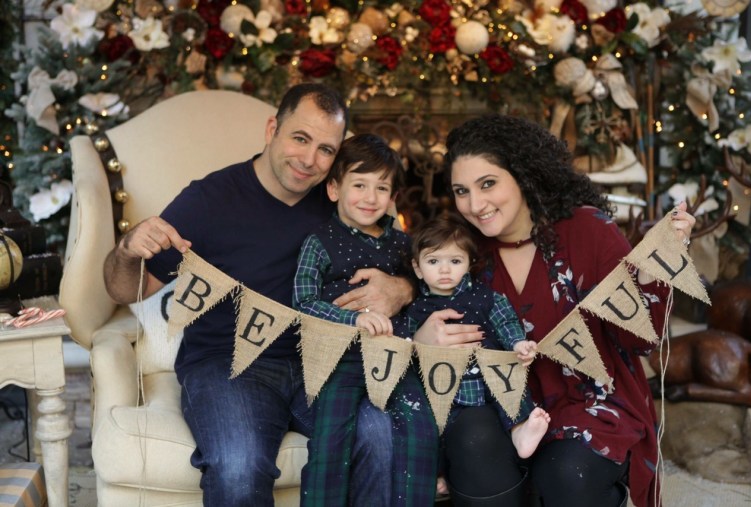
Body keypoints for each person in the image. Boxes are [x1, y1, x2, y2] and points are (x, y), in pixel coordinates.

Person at [103, 83, 415, 507]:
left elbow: (416, 260)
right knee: (238, 463)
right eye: (300, 138)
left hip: (327, 362)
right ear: (272, 129)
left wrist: (401, 287)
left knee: (380, 430)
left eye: (326, 149)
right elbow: (126, 289)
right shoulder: (209, 200)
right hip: (228, 366)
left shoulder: (346, 197)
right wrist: (126, 249)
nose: (309, 160)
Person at [413, 114, 696, 507]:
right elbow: (413, 293)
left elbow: (639, 337)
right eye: (462, 190)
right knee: (471, 436)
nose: (475, 205)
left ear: (523, 175)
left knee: (565, 473)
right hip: (502, 405)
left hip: (590, 402)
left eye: (488, 183)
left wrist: (654, 267)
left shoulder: (586, 229)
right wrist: (419, 337)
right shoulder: (462, 251)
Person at [293, 133, 438, 506]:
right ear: (334, 189)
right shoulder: (319, 242)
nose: (370, 198)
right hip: (338, 363)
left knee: (419, 431)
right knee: (331, 443)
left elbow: (425, 293)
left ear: (392, 198)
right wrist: (349, 318)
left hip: (396, 360)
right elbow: (303, 302)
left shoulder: (404, 245)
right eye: (359, 185)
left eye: (382, 188)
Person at [405, 215, 550, 503]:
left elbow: (506, 323)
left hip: (489, 375)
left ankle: (521, 432)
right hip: (446, 388)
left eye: (455, 261)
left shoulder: (486, 298)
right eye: (433, 262)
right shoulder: (415, 310)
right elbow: (406, 347)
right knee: (427, 422)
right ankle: (438, 473)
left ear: (469, 264)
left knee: (512, 389)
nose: (444, 270)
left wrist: (519, 343)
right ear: (417, 268)